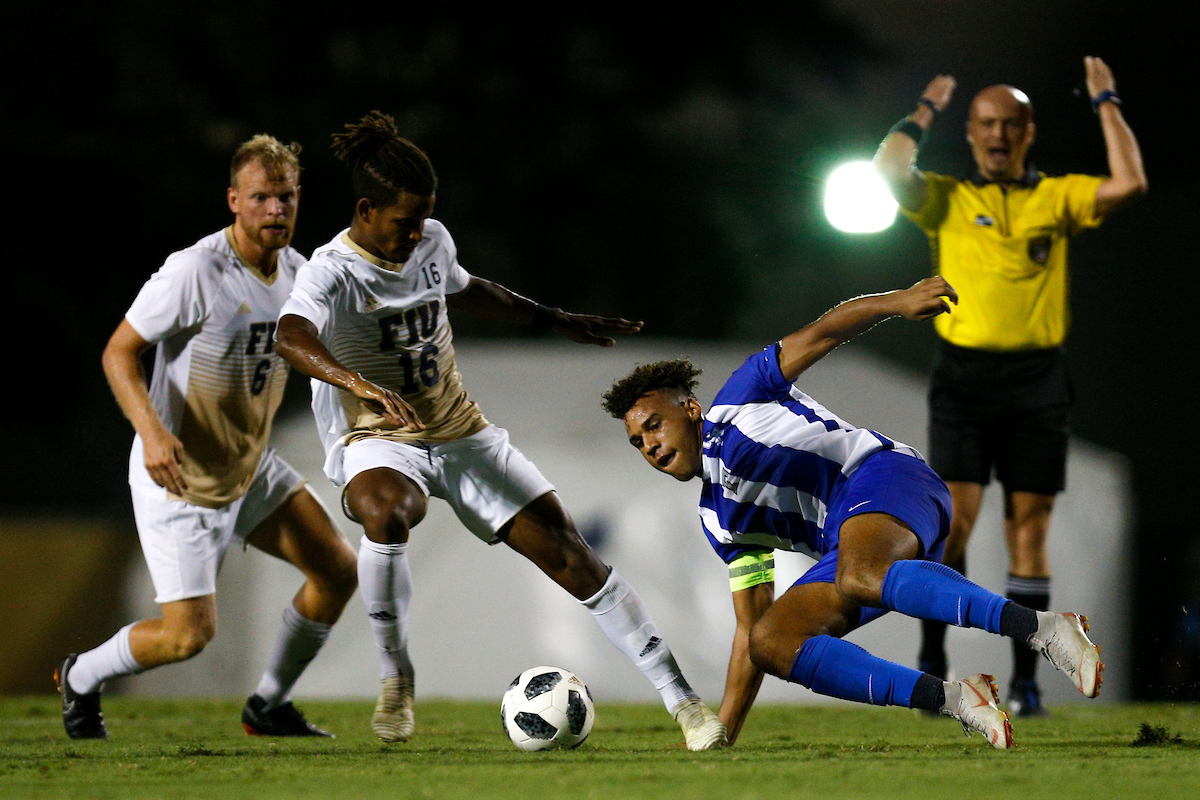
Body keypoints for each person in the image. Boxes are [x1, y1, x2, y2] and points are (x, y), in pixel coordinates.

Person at [273, 110, 725, 750]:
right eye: (405, 222)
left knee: (572, 556)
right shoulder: (330, 270)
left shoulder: (430, 242)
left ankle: (684, 705)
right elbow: (291, 336)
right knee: (386, 512)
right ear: (366, 209)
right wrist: (360, 386)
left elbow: (467, 288)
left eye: (425, 218)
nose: (417, 233)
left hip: (460, 432)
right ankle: (395, 674)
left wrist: (552, 317)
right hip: (376, 435)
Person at [601, 277, 1104, 749]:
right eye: (637, 441)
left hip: (888, 479)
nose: (650, 445)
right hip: (862, 554)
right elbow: (748, 627)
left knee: (858, 572)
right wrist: (720, 735)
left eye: (654, 425)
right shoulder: (718, 520)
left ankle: (1045, 627)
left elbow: (824, 331)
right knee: (772, 642)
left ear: (689, 408)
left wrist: (898, 301)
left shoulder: (741, 397)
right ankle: (956, 699)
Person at [56, 135, 359, 740]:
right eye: (261, 197)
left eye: (286, 197)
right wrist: (152, 433)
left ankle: (268, 704)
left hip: (247, 470)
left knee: (337, 570)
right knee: (186, 637)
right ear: (233, 201)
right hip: (181, 478)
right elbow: (119, 353)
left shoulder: (300, 275)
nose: (276, 209)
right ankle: (82, 674)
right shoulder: (195, 271)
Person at [871, 57, 1147, 715]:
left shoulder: (1056, 197)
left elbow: (1131, 183)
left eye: (1009, 125)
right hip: (964, 380)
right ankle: (934, 662)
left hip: (1035, 379)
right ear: (971, 133)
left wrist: (1106, 99)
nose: (997, 135)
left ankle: (1026, 685)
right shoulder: (947, 199)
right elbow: (886, 172)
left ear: (1028, 132)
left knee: (1029, 529)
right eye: (986, 123)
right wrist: (922, 112)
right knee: (952, 528)